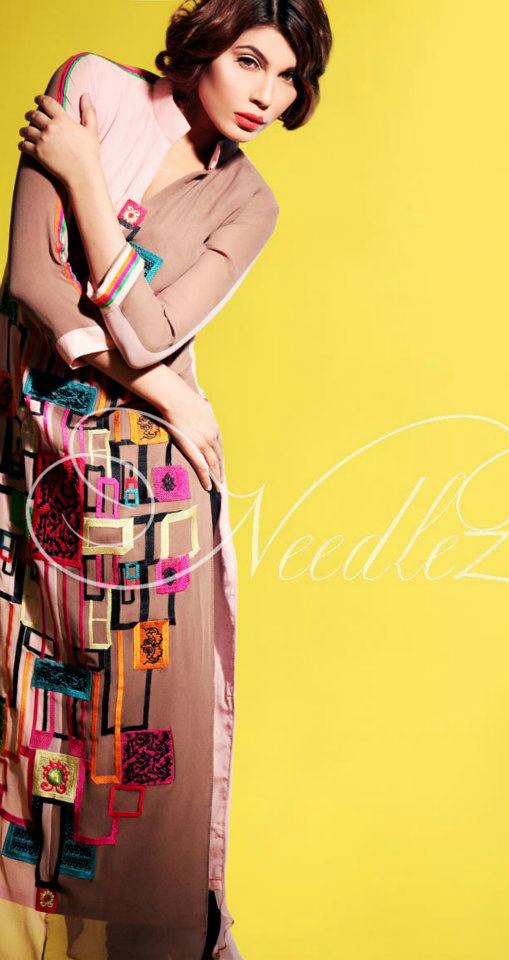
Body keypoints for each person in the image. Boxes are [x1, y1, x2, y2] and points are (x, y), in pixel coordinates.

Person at [0, 0, 332, 957]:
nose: (269, 94)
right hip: (31, 455)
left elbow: (152, 331)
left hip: (148, 490)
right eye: (251, 61)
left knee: (142, 739)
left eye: (291, 77)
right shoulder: (94, 90)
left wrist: (84, 180)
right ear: (204, 47)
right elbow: (30, 280)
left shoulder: (249, 202)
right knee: (26, 712)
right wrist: (171, 395)